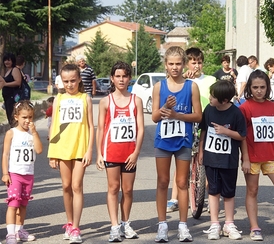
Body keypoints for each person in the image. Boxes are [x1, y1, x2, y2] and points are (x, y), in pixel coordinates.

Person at [152, 46, 202, 242]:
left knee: (182, 183)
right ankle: (162, 225)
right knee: (163, 182)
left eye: (178, 64)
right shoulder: (159, 87)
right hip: (163, 140)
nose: (175, 67)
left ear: (184, 64)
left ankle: (183, 225)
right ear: (166, 65)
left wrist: (177, 115)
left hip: (183, 140)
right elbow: (155, 117)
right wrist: (165, 107)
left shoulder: (191, 87)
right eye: (171, 64)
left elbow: (198, 115)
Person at [96, 61, 144, 242]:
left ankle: (126, 223)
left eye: (124, 76)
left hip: (129, 153)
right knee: (113, 188)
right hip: (111, 152)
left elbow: (140, 129)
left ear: (129, 78)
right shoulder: (105, 102)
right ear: (112, 78)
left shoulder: (136, 100)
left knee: (128, 189)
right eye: (118, 76)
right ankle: (114, 226)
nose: (121, 79)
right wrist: (99, 153)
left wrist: (136, 152)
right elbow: (100, 129)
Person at [238, 70, 274, 240]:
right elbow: (242, 135)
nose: (259, 90)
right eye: (255, 87)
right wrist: (245, 157)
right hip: (252, 156)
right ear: (249, 88)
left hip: (270, 155)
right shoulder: (245, 107)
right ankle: (254, 227)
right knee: (253, 190)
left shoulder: (273, 106)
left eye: (262, 87)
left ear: (267, 87)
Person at [47, 64, 94, 244]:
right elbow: (53, 126)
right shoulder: (59, 99)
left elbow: (91, 126)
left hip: (80, 148)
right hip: (62, 148)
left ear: (79, 79)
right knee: (66, 186)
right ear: (62, 81)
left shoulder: (85, 98)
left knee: (77, 186)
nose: (70, 84)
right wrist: (52, 153)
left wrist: (90, 149)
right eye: (66, 81)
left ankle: (76, 226)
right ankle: (68, 222)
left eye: (73, 80)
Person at [167, 47, 217, 213]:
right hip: (187, 123)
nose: (197, 66)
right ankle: (174, 198)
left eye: (200, 62)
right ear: (186, 64)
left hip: (206, 122)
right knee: (182, 161)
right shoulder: (183, 80)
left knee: (207, 161)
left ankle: (211, 197)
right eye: (193, 62)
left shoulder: (210, 80)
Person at [200, 80, 249, 240]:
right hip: (211, 158)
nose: (209, 98)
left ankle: (229, 223)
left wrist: (226, 131)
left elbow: (242, 135)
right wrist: (201, 152)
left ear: (224, 100)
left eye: (213, 97)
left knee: (229, 193)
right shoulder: (209, 109)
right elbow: (204, 132)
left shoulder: (236, 113)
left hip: (229, 160)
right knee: (213, 191)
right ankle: (215, 224)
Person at [2, 100, 43, 244]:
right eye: (24, 117)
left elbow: (39, 150)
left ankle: (20, 230)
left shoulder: (32, 134)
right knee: (13, 204)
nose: (27, 120)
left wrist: (35, 132)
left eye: (30, 117)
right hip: (15, 174)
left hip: (28, 174)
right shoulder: (11, 133)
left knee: (23, 204)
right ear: (16, 117)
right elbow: (5, 154)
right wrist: (5, 173)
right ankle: (10, 233)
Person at [2, 53, 22, 125]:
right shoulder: (7, 71)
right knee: (10, 119)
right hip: (7, 98)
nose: (6, 62)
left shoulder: (15, 70)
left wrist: (5, 84)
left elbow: (18, 82)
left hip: (13, 98)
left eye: (9, 60)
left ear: (12, 61)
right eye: (5, 60)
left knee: (14, 119)